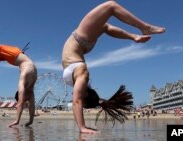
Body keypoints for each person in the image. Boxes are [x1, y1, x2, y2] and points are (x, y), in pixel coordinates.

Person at [62, 0, 165, 134]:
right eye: (82, 98)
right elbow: (77, 102)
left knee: (108, 18)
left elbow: (77, 101)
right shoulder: (82, 75)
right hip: (80, 41)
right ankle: (141, 30)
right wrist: (82, 127)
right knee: (109, 12)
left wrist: (82, 127)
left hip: (81, 42)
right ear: (85, 94)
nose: (73, 95)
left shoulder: (79, 78)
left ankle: (139, 32)